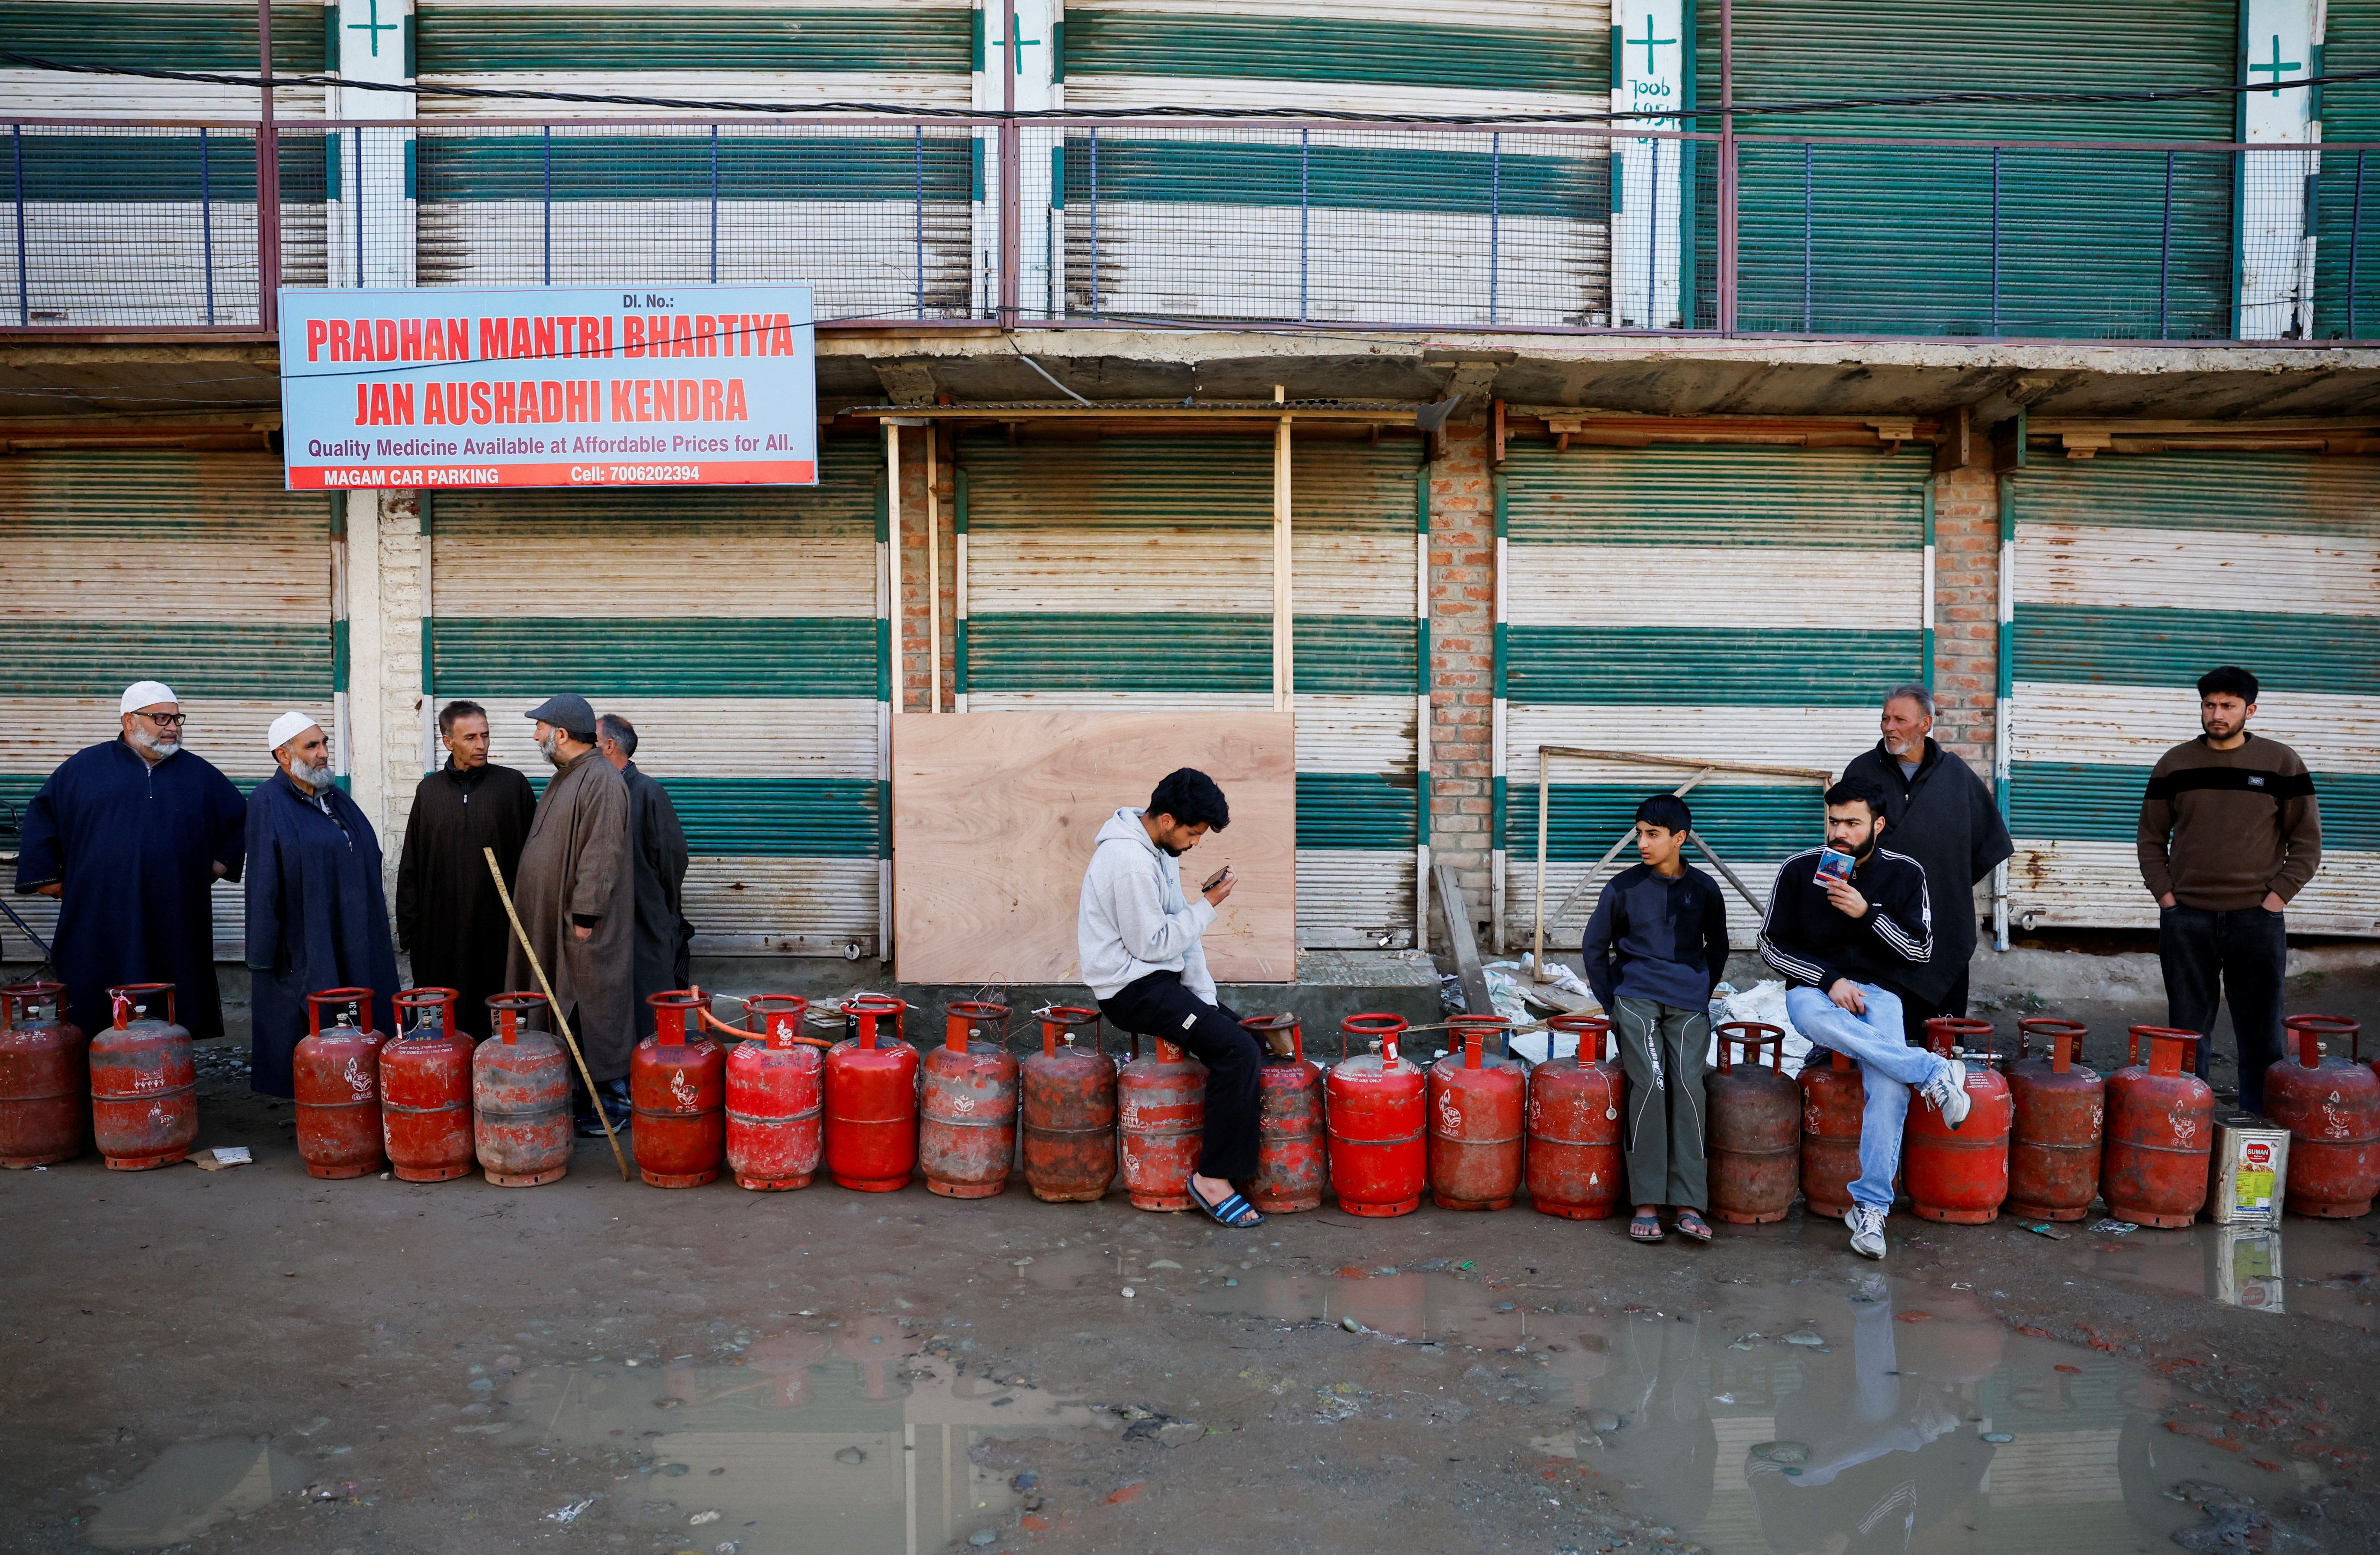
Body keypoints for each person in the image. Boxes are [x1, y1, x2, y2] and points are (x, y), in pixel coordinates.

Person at [1759, 778, 1970, 1261]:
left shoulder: (1903, 874)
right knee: (1822, 1019)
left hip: (1881, 995)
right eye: (1833, 821)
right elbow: (1770, 944)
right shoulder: (1798, 870)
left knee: (1890, 1087)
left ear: (1876, 825)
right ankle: (1931, 1071)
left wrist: (1867, 913)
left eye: (1852, 823)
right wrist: (1829, 978)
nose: (1840, 832)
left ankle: (1871, 1208)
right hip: (1816, 989)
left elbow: (1920, 951)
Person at [11, 682, 246, 1043]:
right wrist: (49, 880)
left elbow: (239, 819)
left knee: (170, 1001)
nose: (173, 727)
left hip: (174, 914)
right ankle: (100, 1081)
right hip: (99, 914)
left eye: (177, 718)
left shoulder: (199, 774)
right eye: (161, 718)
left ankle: (163, 1076)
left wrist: (218, 865)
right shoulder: (84, 768)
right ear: (129, 720)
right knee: (96, 999)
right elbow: (43, 819)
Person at [1077, 767, 1261, 1228]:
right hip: (1129, 990)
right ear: (1165, 821)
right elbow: (1155, 945)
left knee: (1246, 1042)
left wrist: (1206, 1000)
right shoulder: (1129, 861)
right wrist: (1210, 905)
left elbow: (1182, 933)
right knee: (1236, 1052)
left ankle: (1236, 1164)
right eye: (1193, 833)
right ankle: (1212, 1178)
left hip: (1160, 979)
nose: (1195, 843)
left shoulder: (1160, 851)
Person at [2137, 665, 2321, 1113]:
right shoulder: (2175, 763)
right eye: (2209, 705)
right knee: (2186, 1032)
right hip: (2187, 919)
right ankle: (2187, 1123)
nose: (2216, 714)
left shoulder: (2281, 763)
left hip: (2255, 920)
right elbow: (2149, 837)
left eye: (2227, 706)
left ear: (2250, 710)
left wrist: (2274, 900)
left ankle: (2258, 1126)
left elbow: (2307, 843)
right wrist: (2167, 899)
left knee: (2261, 1033)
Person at [1579, 792, 1729, 1246]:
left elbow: (1717, 946)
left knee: (1687, 1089)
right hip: (1636, 1001)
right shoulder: (1622, 888)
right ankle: (1645, 1201)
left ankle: (1688, 1204)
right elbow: (1593, 948)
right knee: (1650, 1087)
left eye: (1653, 835)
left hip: (1688, 1006)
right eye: (1639, 833)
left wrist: (1699, 991)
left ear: (1679, 838)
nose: (1641, 843)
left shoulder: (1704, 889)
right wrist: (1614, 1002)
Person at [1838, 683, 2012, 1044]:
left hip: (1942, 915)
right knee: (1880, 1033)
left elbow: (1985, 844)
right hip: (1875, 918)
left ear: (1926, 724)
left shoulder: (1956, 776)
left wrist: (1942, 884)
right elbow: (1842, 840)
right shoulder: (1862, 770)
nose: (1889, 727)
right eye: (1885, 719)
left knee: (1941, 1039)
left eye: (1900, 719)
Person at [243, 712, 402, 1096]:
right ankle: (325, 1095)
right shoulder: (269, 801)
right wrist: (263, 952)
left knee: (363, 1006)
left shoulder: (336, 798)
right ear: (284, 755)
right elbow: (263, 879)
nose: (323, 753)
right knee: (318, 1015)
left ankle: (363, 1083)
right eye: (312, 746)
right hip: (308, 934)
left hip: (356, 927)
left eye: (325, 743)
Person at [506, 694, 634, 1135]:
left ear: (561, 734)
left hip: (581, 930)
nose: (535, 735)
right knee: (567, 1012)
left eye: (540, 728)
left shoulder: (601, 779)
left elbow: (601, 854)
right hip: (556, 924)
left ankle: (611, 1108)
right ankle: (576, 1100)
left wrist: (585, 917)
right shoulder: (568, 776)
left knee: (593, 1011)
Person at [394, 700, 537, 1041]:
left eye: (486, 736)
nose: (482, 746)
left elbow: (534, 859)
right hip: (440, 931)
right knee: (443, 1020)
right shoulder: (429, 792)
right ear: (448, 741)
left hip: (498, 930)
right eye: (471, 737)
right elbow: (413, 861)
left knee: (499, 1017)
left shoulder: (512, 786)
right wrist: (410, 929)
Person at [598, 713, 693, 1038]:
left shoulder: (647, 792)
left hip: (646, 920)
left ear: (609, 747)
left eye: (591, 743)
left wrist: (658, 903)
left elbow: (673, 858)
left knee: (648, 1006)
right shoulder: (597, 792)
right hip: (606, 925)